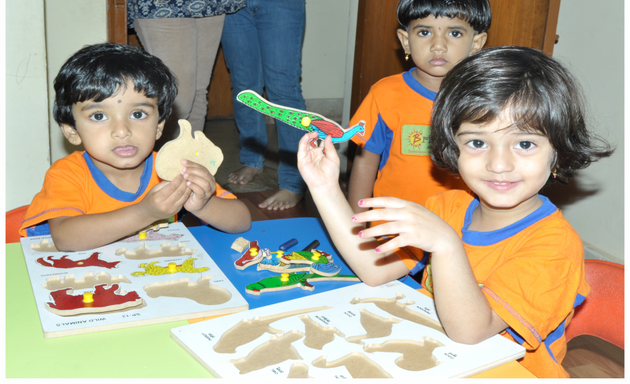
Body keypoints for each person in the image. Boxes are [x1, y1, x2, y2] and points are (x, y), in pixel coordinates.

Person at [297, 46, 614, 378]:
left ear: (558, 153)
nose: (499, 164)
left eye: (525, 144)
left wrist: (447, 246)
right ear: (453, 147)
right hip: (434, 358)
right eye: (477, 143)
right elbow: (374, 270)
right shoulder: (447, 207)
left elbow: (472, 330)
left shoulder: (555, 247)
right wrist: (325, 188)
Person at [19, 43, 251, 251]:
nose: (122, 131)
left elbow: (242, 221)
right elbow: (65, 239)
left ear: (159, 127)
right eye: (99, 116)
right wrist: (145, 212)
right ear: (72, 131)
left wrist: (203, 204)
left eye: (138, 114)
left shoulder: (174, 168)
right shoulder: (68, 174)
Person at [348, 0, 491, 219]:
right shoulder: (384, 94)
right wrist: (354, 225)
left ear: (476, 43)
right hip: (393, 228)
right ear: (406, 41)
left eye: (454, 34)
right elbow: (365, 162)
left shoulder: (487, 101)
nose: (438, 45)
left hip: (460, 229)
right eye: (424, 32)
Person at [221, 0, 307, 210]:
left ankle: (293, 181)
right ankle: (252, 159)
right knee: (244, 89)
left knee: (284, 90)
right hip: (232, 4)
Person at [127, 0, 245, 147]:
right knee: (178, 99)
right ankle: (166, 165)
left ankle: (190, 163)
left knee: (198, 94)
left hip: (211, 4)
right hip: (165, 5)